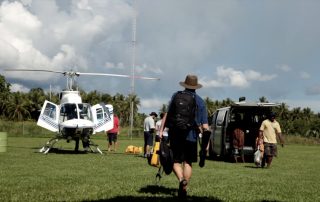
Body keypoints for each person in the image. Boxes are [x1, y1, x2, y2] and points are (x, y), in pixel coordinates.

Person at [159, 74, 209, 198]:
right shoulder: (200, 101)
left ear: (185, 85)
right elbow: (205, 126)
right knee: (188, 162)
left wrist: (161, 131)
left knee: (175, 161)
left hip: (175, 134)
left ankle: (181, 180)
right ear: (196, 87)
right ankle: (184, 189)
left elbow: (168, 114)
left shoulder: (176, 96)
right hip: (191, 136)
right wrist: (206, 143)